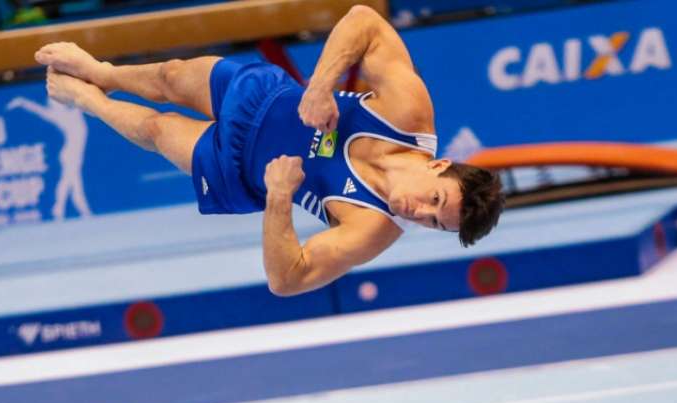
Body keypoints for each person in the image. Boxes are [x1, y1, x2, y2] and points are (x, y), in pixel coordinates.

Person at [34, 4, 504, 296]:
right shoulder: (407, 114)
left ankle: (89, 101)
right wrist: (320, 87)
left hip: (240, 170)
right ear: (440, 165)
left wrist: (278, 199)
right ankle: (103, 73)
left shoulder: (372, 229)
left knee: (160, 130)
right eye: (435, 200)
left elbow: (287, 281)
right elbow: (365, 21)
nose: (418, 211)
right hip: (264, 97)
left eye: (432, 223)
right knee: (171, 75)